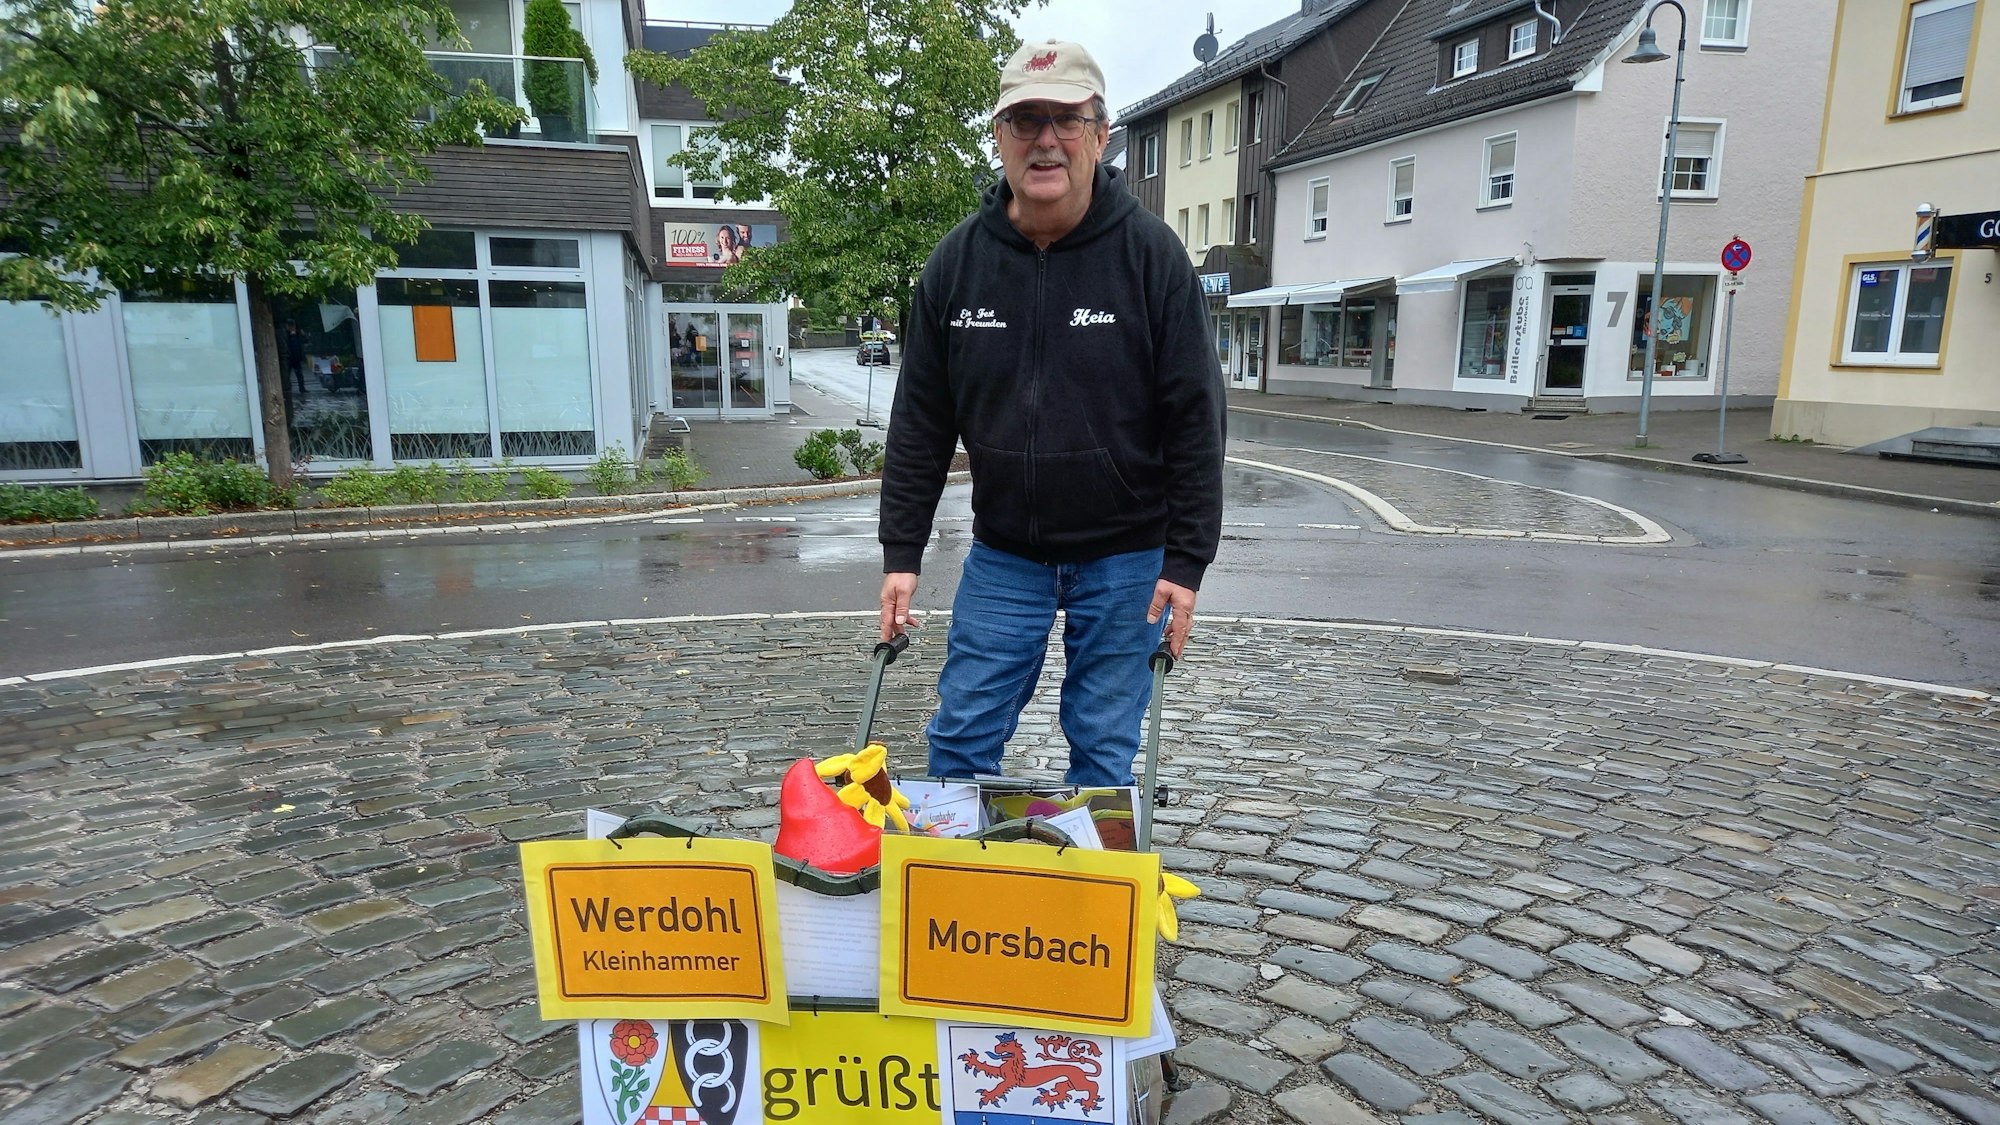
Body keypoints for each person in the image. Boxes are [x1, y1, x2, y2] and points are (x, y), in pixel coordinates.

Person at [877, 39, 1224, 788]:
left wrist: (1186, 562)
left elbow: (1196, 418)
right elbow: (920, 424)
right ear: (999, 138)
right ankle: (960, 893)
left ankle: (1091, 900)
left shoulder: (1152, 259)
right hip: (1006, 554)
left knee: (1103, 752)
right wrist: (901, 554)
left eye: (1065, 119)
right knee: (960, 737)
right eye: (1024, 119)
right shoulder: (956, 265)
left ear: (1102, 134)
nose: (1044, 139)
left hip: (1129, 556)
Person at [282, 318, 308, 396]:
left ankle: (302, 388)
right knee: (287, 374)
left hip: (296, 356)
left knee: (299, 374)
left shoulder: (298, 333)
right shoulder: (286, 334)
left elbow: (305, 340)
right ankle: (286, 388)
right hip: (288, 357)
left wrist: (303, 335)